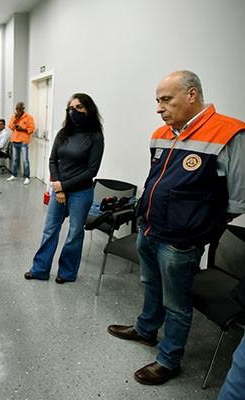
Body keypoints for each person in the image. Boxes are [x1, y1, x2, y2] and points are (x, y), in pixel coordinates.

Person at [107, 70, 245, 385]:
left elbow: (237, 201)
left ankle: (169, 360)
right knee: (151, 286)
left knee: (177, 303)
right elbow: (157, 181)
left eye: (166, 99)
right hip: (149, 229)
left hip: (181, 241)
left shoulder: (229, 132)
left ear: (192, 94)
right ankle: (145, 329)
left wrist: (197, 228)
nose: (159, 107)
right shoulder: (161, 133)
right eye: (158, 100)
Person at [24, 93, 104, 284]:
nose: (73, 112)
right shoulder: (63, 133)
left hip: (81, 192)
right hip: (59, 190)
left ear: (88, 109)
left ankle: (67, 272)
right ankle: (40, 269)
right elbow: (53, 160)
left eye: (79, 107)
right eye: (70, 108)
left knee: (74, 233)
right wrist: (58, 188)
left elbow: (91, 171)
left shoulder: (95, 137)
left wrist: (64, 186)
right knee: (49, 230)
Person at [7, 102, 35, 185]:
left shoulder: (29, 117)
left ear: (23, 109)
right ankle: (14, 175)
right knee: (15, 159)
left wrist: (22, 129)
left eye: (20, 109)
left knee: (25, 160)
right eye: (17, 109)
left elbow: (32, 129)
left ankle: (27, 177)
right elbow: (11, 127)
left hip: (23, 141)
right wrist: (16, 119)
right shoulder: (13, 117)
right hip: (15, 140)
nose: (18, 110)